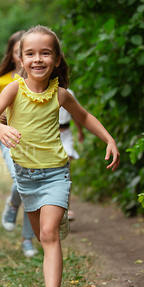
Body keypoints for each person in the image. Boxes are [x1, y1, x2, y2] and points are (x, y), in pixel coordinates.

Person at [0, 25, 120, 287]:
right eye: (30, 53)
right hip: (26, 176)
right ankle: (57, 220)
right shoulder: (12, 89)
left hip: (56, 172)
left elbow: (85, 117)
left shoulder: (61, 95)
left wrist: (109, 138)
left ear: (56, 59)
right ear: (20, 59)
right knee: (42, 235)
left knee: (48, 234)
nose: (37, 59)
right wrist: (0, 128)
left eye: (45, 53)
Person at [0, 30, 38, 257]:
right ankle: (14, 206)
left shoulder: (42, 79)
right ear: (13, 55)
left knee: (30, 189)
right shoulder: (4, 81)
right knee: (22, 183)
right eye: (18, 51)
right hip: (9, 139)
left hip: (34, 141)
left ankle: (27, 239)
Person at [59, 89, 84, 221]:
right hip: (48, 135)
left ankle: (66, 208)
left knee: (66, 169)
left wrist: (80, 131)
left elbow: (76, 114)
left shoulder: (68, 93)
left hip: (66, 134)